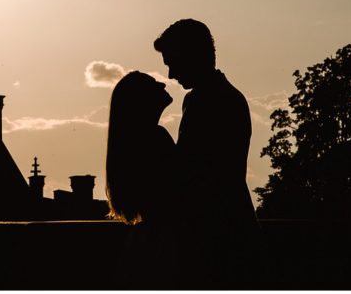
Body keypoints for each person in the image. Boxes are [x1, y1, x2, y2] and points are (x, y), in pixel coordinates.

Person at [153, 18, 259, 286]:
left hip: (218, 234)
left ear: (191, 55)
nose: (170, 75)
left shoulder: (212, 100)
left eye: (172, 63)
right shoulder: (215, 97)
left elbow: (194, 172)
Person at [105, 70, 182, 288]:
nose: (162, 85)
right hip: (166, 243)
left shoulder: (133, 144)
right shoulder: (155, 138)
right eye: (153, 84)